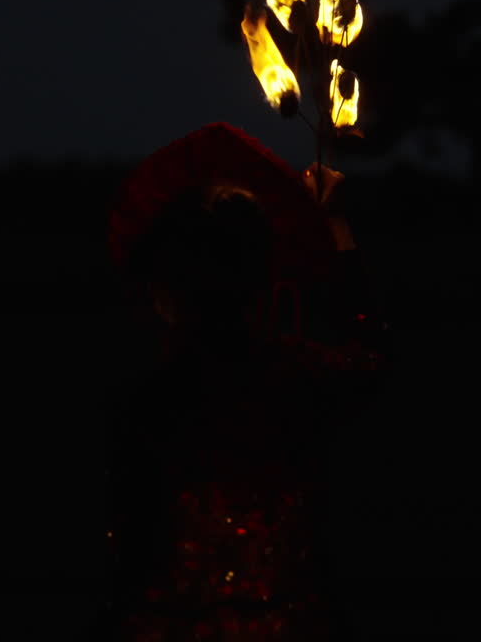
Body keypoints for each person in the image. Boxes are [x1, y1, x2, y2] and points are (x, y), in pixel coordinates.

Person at [99, 123, 391, 641]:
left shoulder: (142, 406)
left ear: (163, 294)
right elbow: (369, 357)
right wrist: (335, 228)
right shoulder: (299, 379)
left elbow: (124, 562)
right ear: (261, 282)